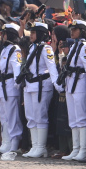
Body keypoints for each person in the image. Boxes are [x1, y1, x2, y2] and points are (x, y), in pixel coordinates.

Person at [59, 20, 86, 162]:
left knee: (82, 118)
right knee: (73, 119)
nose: (72, 31)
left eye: (75, 29)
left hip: (80, 83)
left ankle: (83, 149)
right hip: (70, 83)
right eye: (72, 29)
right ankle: (75, 149)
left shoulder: (84, 47)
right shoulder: (75, 46)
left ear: (81, 30)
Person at [0, 20, 23, 155]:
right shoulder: (3, 49)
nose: (3, 36)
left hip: (10, 87)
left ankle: (14, 143)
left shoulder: (15, 49)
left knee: (12, 117)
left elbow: (16, 68)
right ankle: (6, 142)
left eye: (5, 34)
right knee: (3, 117)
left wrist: (18, 85)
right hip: (0, 87)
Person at [20, 21, 55, 158]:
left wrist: (57, 84)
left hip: (41, 86)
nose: (31, 35)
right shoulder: (31, 47)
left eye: (34, 33)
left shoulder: (46, 49)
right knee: (30, 117)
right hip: (29, 85)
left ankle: (41, 147)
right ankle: (35, 146)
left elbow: (51, 68)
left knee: (40, 117)